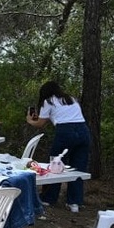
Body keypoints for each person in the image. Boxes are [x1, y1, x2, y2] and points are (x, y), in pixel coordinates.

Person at [25, 80, 90, 212]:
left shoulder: (48, 101)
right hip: (83, 131)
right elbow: (65, 116)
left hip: (65, 132)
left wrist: (30, 120)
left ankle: (49, 197)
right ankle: (74, 202)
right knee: (78, 167)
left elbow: (40, 124)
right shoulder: (71, 99)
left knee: (55, 165)